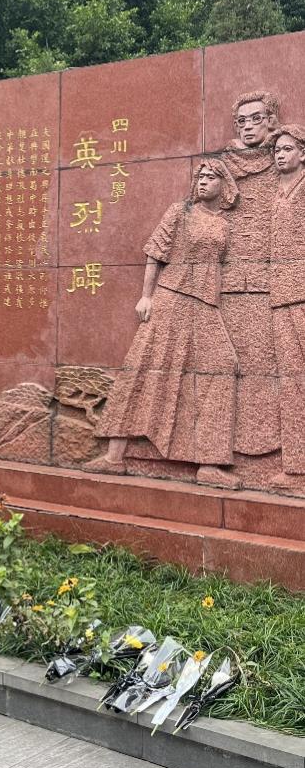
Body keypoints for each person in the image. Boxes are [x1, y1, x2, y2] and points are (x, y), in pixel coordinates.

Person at [86, 160, 240, 487]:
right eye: (200, 176)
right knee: (145, 368)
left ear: (224, 185)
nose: (203, 182)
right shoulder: (179, 212)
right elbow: (155, 253)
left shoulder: (225, 224)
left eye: (211, 177)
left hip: (206, 303)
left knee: (222, 366)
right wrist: (147, 296)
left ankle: (209, 464)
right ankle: (114, 457)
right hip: (172, 296)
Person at [219, 91, 282, 460]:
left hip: (271, 283)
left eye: (256, 118)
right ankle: (226, 445)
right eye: (241, 121)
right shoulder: (221, 168)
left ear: (271, 120)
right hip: (227, 283)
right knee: (229, 364)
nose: (247, 126)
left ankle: (268, 444)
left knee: (267, 363)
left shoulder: (284, 162)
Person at [268, 126, 305, 487]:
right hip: (281, 296)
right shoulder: (276, 191)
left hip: (301, 294)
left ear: (302, 154)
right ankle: (296, 468)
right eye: (276, 150)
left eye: (287, 149)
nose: (280, 155)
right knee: (291, 382)